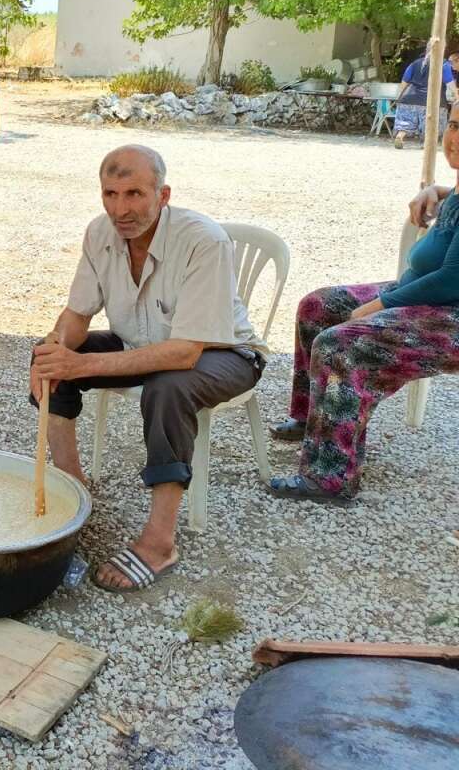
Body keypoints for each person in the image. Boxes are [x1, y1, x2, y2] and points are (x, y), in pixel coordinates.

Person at [30, 145, 265, 593]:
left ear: (163, 194)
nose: (122, 209)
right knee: (50, 359)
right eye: (111, 194)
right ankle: (71, 488)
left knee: (168, 387)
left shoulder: (203, 240)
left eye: (135, 193)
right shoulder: (99, 233)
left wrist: (82, 363)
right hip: (141, 340)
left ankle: (160, 542)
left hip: (225, 354)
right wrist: (53, 350)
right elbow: (77, 315)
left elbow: (184, 352)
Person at [267, 117, 459, 501]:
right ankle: (314, 422)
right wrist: (436, 191)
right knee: (318, 307)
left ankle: (331, 476)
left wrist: (374, 307)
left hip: (449, 315)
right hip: (421, 294)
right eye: (454, 124)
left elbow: (451, 280)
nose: (455, 138)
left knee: (341, 344)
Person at [393, 47, 456, 149]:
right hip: (432, 101)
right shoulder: (443, 64)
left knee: (406, 121)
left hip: (409, 99)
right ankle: (426, 144)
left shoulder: (415, 63)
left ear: (426, 50)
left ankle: (400, 136)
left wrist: (399, 97)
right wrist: (457, 96)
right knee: (430, 124)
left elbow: (404, 82)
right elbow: (449, 82)